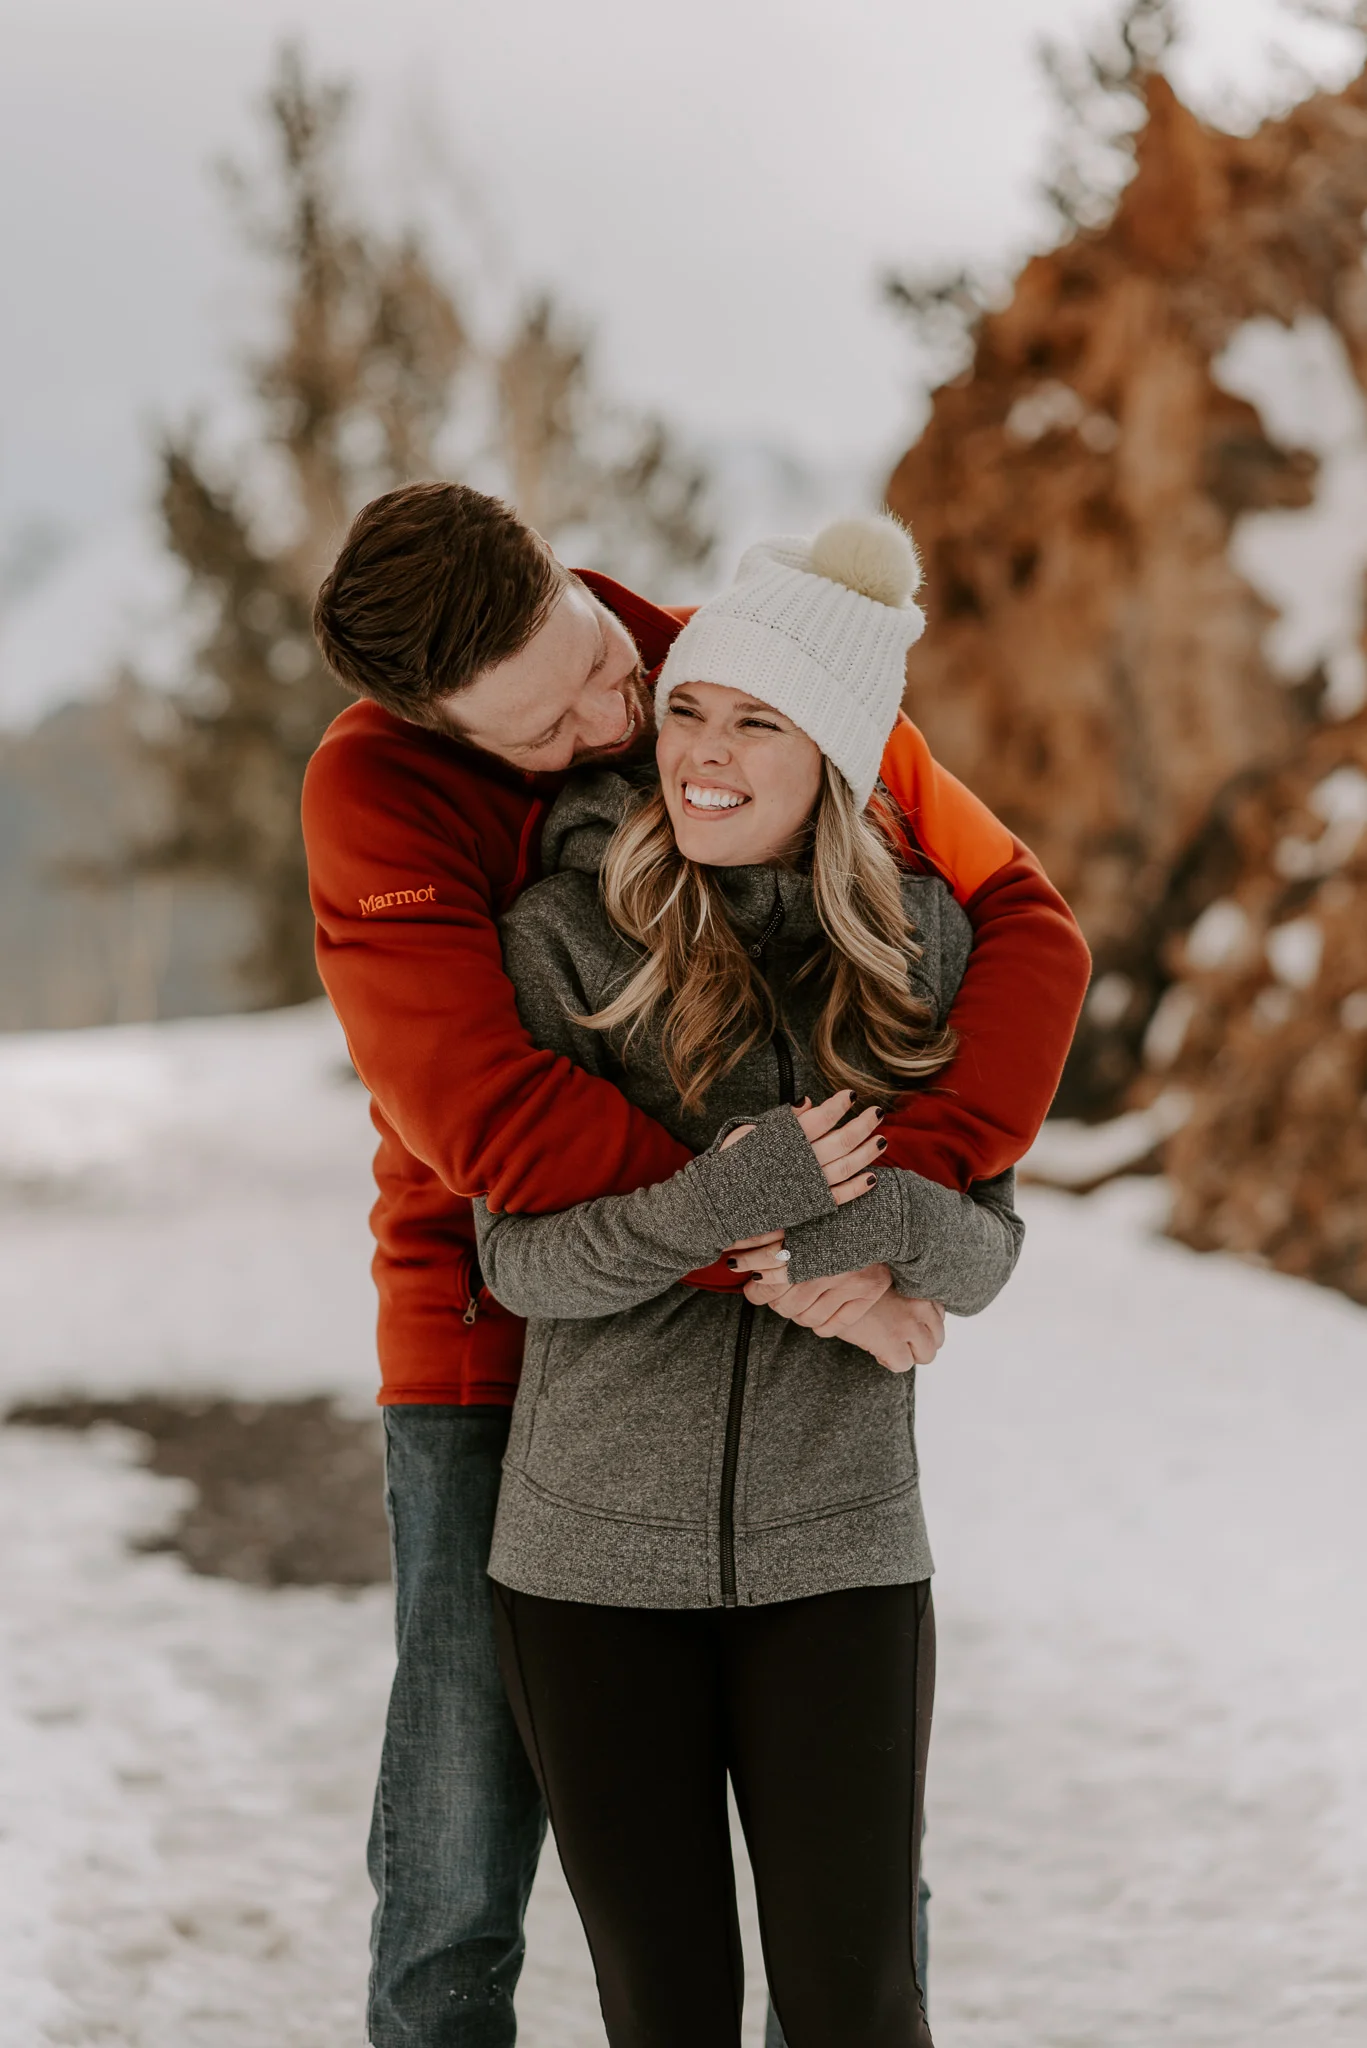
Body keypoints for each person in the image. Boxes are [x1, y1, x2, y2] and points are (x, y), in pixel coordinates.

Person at [302, 482, 1090, 2046]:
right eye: (538, 731)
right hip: (484, 1344)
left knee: (852, 1906)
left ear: (573, 586)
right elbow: (507, 1142)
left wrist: (895, 1223)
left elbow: (1020, 923)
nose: (609, 722)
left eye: (601, 665)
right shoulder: (380, 797)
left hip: (795, 1415)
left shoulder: (727, 670)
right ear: (449, 728)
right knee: (464, 1832)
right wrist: (780, 1233)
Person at [475, 514, 1022, 2047]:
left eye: (754, 721)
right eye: (687, 710)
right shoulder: (565, 941)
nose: (700, 753)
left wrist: (879, 1247)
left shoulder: (923, 949)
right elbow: (522, 1264)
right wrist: (728, 1200)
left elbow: (983, 1256)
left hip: (840, 1560)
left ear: (833, 750)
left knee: (855, 2002)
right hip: (586, 1573)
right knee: (667, 2012)